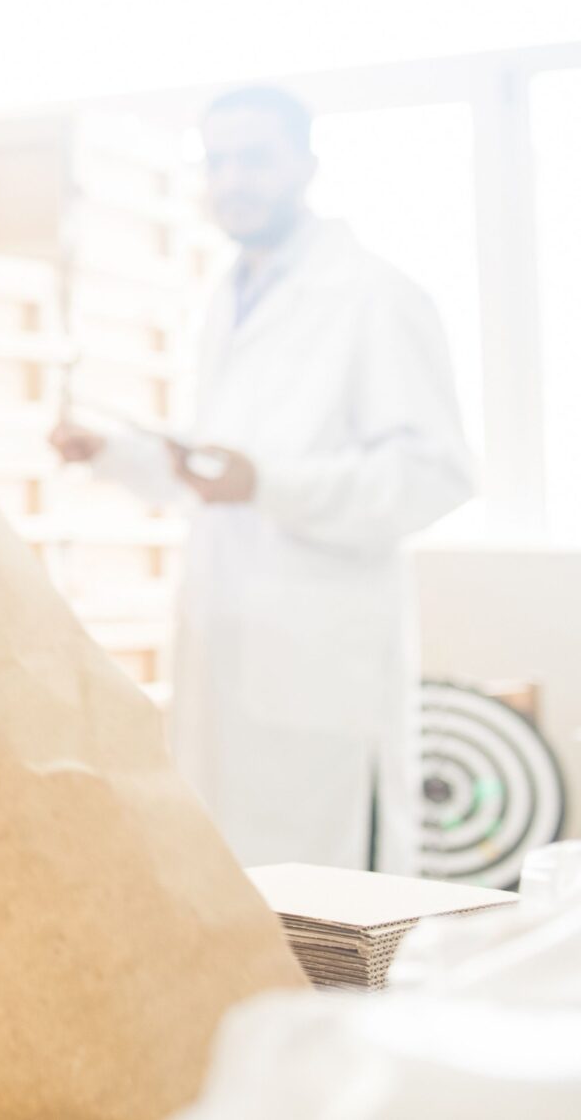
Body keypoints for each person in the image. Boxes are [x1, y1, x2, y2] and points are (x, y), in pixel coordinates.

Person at [50, 85, 474, 876]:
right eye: (218, 161)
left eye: (256, 158)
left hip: (321, 664)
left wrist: (268, 483)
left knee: (336, 900)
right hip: (229, 644)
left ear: (306, 165)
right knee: (240, 887)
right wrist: (109, 452)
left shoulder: (374, 295)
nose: (234, 179)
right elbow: (216, 474)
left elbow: (435, 474)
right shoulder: (229, 299)